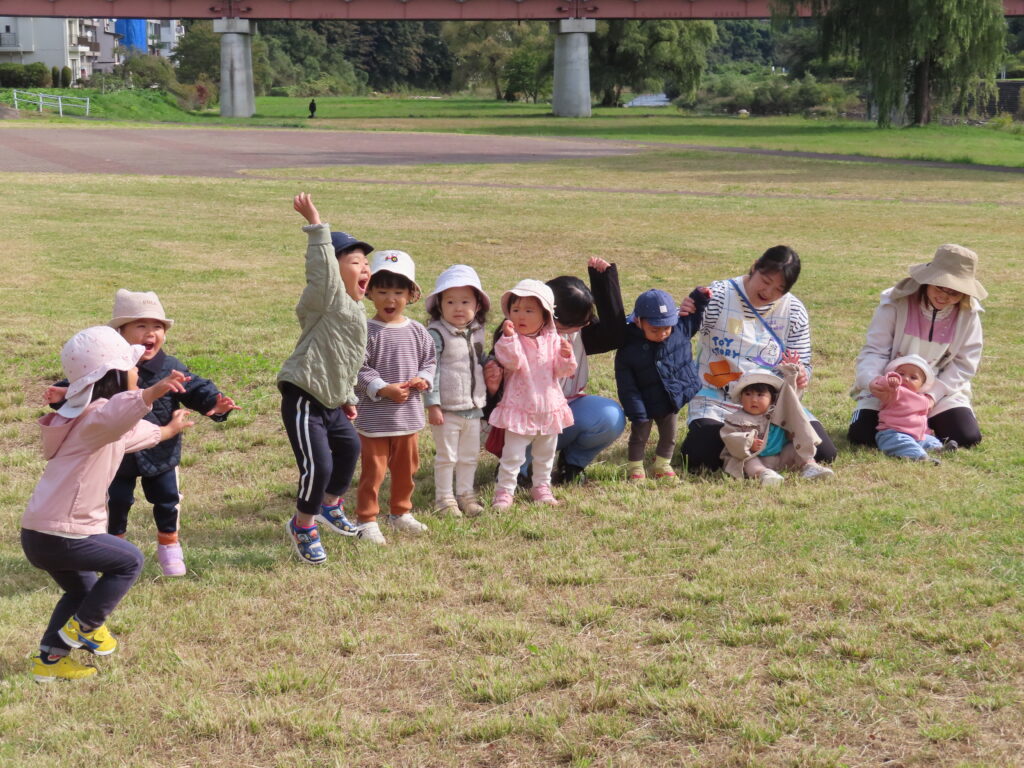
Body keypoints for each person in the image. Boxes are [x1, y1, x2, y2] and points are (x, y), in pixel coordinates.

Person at [23, 326, 193, 682]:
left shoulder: (88, 418)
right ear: (112, 375)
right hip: (64, 531)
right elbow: (119, 416)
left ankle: (50, 661)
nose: (137, 372)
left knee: (81, 590)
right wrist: (151, 393)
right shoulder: (101, 414)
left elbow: (131, 434)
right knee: (130, 560)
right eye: (131, 367)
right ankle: (86, 627)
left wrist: (168, 430)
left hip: (38, 532)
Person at [44, 289, 239, 577]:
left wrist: (215, 404)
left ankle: (169, 544)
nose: (151, 333)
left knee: (167, 500)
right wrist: (62, 393)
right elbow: (84, 383)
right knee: (116, 503)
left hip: (161, 454)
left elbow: (195, 388)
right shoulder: (109, 366)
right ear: (120, 333)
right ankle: (114, 549)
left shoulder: (170, 368)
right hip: (117, 456)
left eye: (157, 326)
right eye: (141, 326)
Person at [679, 245, 837, 473]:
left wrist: (802, 375)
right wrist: (686, 312)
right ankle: (764, 457)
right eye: (766, 280)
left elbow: (803, 361)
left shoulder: (794, 311)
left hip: (772, 408)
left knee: (825, 453)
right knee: (699, 454)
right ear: (754, 267)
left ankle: (752, 456)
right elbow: (682, 330)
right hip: (718, 400)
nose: (768, 291)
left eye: (779, 288)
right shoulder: (721, 295)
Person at [278, 192, 372, 565]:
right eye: (354, 262)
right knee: (320, 465)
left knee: (350, 449)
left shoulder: (356, 310)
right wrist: (317, 226)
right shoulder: (328, 295)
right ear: (336, 270)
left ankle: (330, 505)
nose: (365, 268)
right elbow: (321, 270)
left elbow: (347, 359)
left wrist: (348, 395)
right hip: (304, 395)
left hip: (332, 400)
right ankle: (303, 525)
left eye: (367, 263)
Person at [484, 258, 626, 485]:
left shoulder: (577, 329)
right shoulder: (513, 337)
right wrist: (492, 390)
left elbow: (615, 335)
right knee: (521, 432)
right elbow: (491, 402)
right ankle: (516, 467)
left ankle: (572, 464)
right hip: (518, 418)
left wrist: (603, 280)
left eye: (584, 324)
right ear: (547, 313)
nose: (577, 331)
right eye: (570, 326)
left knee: (610, 416)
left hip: (557, 412)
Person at [848, 244, 986, 449]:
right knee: (862, 435)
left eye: (954, 293)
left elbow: (964, 364)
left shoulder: (968, 315)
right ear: (929, 279)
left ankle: (922, 423)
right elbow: (875, 350)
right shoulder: (895, 302)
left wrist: (931, 396)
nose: (944, 297)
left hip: (939, 390)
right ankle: (912, 424)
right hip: (891, 387)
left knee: (966, 436)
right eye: (940, 287)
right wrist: (873, 381)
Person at [353, 250, 436, 545]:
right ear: (369, 292)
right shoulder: (364, 330)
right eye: (383, 291)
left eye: (399, 292)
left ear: (411, 294)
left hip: (408, 419)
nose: (391, 299)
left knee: (406, 470)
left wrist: (423, 379)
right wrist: (381, 387)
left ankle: (401, 513)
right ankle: (366, 519)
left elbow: (429, 362)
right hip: (374, 420)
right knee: (373, 472)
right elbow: (357, 369)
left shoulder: (418, 331)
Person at [489, 279, 577, 510]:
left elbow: (563, 372)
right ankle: (505, 491)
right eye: (516, 310)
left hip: (549, 407)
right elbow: (512, 361)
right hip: (520, 406)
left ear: (545, 315)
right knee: (513, 455)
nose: (521, 316)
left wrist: (566, 356)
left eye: (529, 311)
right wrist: (508, 338)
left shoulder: (555, 340)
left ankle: (541, 487)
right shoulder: (511, 340)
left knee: (545, 454)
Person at [615, 287, 710, 481]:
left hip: (670, 398)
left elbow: (694, 319)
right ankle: (635, 467)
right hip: (644, 402)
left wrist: (699, 300)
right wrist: (637, 411)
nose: (662, 334)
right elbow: (627, 386)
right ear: (638, 321)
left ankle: (662, 464)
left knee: (669, 435)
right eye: (654, 330)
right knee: (639, 437)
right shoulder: (628, 349)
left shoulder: (679, 330)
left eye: (667, 328)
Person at [423, 264, 490, 518]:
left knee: (469, 456)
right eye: (450, 302)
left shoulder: (477, 331)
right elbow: (431, 370)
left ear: (478, 305)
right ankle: (444, 499)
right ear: (439, 305)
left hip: (473, 408)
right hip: (448, 408)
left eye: (465, 301)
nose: (458, 308)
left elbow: (480, 364)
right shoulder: (436, 334)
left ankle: (466, 494)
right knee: (447, 457)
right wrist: (433, 404)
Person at [720, 365, 835, 486]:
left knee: (795, 449)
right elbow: (730, 437)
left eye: (760, 395)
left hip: (781, 455)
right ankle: (763, 474)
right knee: (748, 461)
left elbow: (791, 398)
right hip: (757, 457)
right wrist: (748, 442)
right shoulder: (736, 419)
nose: (753, 399)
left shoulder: (778, 413)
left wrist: (789, 435)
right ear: (740, 398)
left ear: (772, 398)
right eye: (748, 394)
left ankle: (810, 466)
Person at [870, 354, 954, 463]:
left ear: (922, 385)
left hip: (917, 435)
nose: (905, 378)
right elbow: (881, 383)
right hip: (893, 433)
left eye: (913, 377)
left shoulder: (923, 398)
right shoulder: (895, 392)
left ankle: (938, 448)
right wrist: (890, 380)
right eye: (901, 374)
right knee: (904, 443)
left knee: (930, 440)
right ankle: (920, 458)